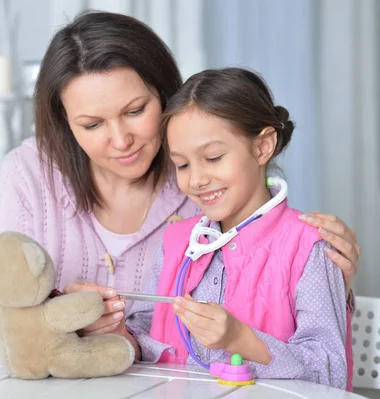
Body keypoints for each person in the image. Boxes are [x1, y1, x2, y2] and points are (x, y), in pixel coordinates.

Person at [0, 11, 360, 364]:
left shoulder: (211, 206)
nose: (121, 140)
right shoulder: (28, 176)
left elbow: (299, 335)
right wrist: (80, 322)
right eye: (92, 125)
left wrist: (330, 287)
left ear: (164, 96)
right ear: (66, 126)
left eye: (135, 111)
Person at [123, 68, 351, 389]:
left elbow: (329, 370)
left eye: (213, 157)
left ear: (262, 147)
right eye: (183, 164)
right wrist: (114, 332)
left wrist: (240, 339)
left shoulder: (308, 246)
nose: (197, 179)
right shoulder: (176, 242)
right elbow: (142, 329)